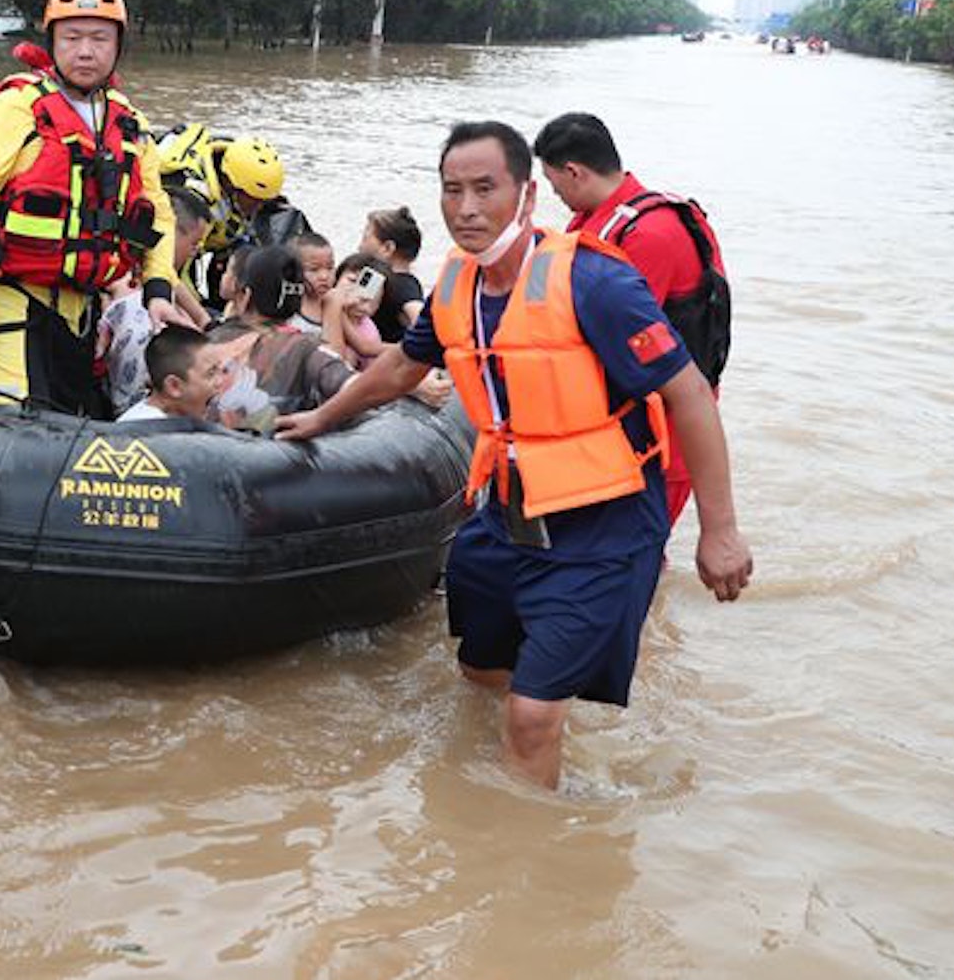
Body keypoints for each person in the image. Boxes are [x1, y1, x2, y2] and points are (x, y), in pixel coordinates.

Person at [279, 121, 752, 791]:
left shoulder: (594, 282)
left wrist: (721, 530)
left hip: (602, 524)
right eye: (452, 190)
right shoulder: (453, 287)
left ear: (528, 195)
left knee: (529, 714)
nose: (466, 207)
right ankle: (510, 794)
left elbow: (691, 396)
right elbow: (400, 370)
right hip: (503, 517)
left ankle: (536, 863)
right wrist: (323, 417)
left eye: (484, 189)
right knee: (479, 674)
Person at [0, 0, 180, 415]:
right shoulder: (12, 110)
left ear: (118, 46)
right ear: (51, 41)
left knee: (70, 421)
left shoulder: (129, 122)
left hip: (81, 310)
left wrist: (159, 289)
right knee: (15, 421)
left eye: (99, 39)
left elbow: (156, 212)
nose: (85, 51)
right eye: (72, 38)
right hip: (13, 299)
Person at [533, 112, 731, 521]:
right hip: (616, 429)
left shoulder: (649, 234)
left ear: (574, 173)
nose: (557, 196)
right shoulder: (597, 217)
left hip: (662, 437)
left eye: (555, 186)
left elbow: (617, 337)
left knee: (636, 560)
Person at [158, 123, 311, 307]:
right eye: (254, 200)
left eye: (263, 200)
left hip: (221, 242)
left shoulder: (245, 176)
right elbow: (174, 270)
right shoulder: (196, 201)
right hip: (180, 245)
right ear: (231, 185)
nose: (259, 206)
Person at [208, 244, 354, 425]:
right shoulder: (308, 349)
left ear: (246, 295)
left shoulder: (204, 342)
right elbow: (357, 388)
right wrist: (320, 418)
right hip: (278, 447)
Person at [100, 186, 211, 415]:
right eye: (193, 244)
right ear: (170, 234)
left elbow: (170, 279)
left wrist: (202, 317)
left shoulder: (128, 277)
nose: (195, 254)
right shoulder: (139, 307)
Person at [116, 326, 230, 423]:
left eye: (220, 370)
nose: (220, 381)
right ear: (174, 386)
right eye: (210, 374)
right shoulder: (144, 435)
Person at [358, 205, 426, 342]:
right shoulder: (376, 280)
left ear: (387, 248)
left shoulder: (400, 284)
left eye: (365, 239)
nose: (359, 247)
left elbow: (420, 320)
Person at [320, 252, 390, 369]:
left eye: (371, 288)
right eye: (352, 280)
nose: (357, 290)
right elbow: (364, 348)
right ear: (335, 278)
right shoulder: (332, 306)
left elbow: (365, 348)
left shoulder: (365, 324)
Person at [291, 232, 336, 334]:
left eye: (330, 267)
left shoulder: (338, 303)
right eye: (314, 269)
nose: (324, 276)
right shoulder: (290, 310)